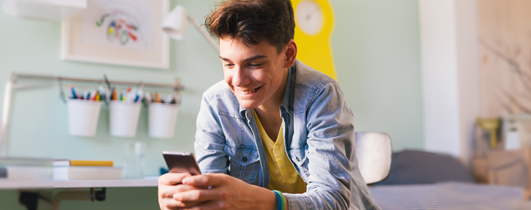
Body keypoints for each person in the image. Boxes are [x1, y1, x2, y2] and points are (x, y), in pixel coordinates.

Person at [156, 0, 379, 209]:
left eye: (254, 64)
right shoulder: (216, 105)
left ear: (288, 54)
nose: (238, 80)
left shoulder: (320, 95)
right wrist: (190, 201)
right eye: (228, 64)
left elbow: (333, 201)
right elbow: (212, 198)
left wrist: (248, 198)